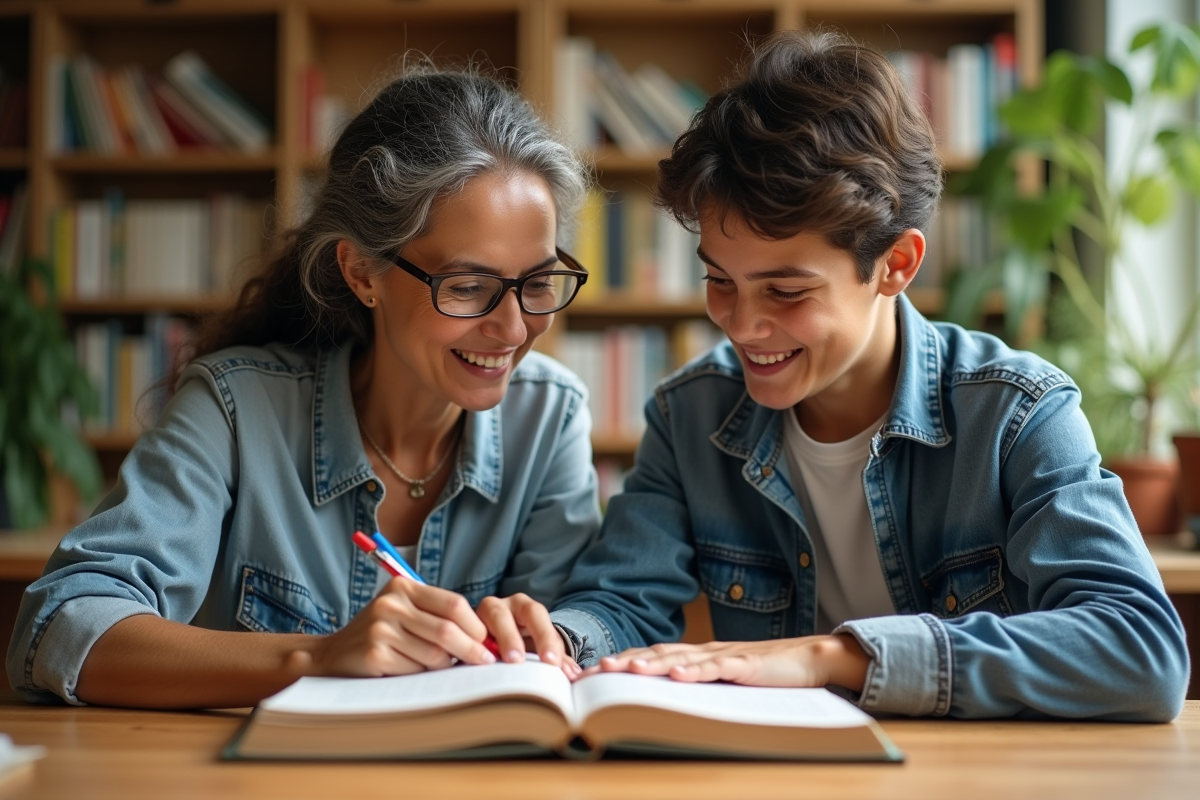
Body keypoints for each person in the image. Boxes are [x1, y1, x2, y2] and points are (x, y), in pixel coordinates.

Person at [549, 30, 1190, 720]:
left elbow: (1141, 651)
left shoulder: (1015, 412)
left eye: (786, 292)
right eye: (719, 280)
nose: (740, 324)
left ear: (897, 265)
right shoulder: (692, 415)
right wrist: (552, 643)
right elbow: (620, 603)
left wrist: (834, 656)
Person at [8, 67, 600, 708]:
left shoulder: (551, 415)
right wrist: (316, 656)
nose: (513, 326)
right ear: (362, 272)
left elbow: (575, 626)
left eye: (537, 282)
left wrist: (558, 642)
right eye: (466, 286)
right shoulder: (235, 409)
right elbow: (62, 626)